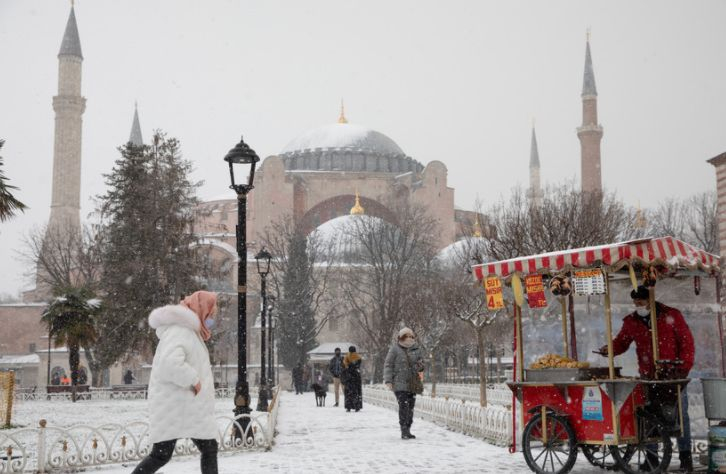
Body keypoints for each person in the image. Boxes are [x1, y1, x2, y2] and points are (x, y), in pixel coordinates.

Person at [597, 285, 695, 472]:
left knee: (680, 417)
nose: (637, 305)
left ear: (651, 300)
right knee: (649, 417)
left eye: (641, 302)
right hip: (648, 377)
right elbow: (622, 342)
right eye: (635, 302)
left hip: (673, 376)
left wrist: (683, 369)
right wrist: (609, 349)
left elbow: (687, 343)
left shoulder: (671, 315)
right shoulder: (632, 321)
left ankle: (685, 457)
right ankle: (652, 458)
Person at [131, 290, 219, 474]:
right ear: (201, 310)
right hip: (174, 406)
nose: (211, 318)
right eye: (210, 314)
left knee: (209, 447)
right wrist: (194, 380)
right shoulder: (181, 331)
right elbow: (169, 363)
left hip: (184, 406)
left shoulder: (188, 331)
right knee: (161, 455)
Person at [384, 327, 424, 440]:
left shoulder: (416, 349)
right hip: (399, 384)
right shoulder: (395, 349)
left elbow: (422, 364)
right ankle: (404, 429)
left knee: (411, 406)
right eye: (407, 336)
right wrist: (388, 380)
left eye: (411, 336)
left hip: (412, 383)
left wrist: (419, 366)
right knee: (404, 405)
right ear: (401, 337)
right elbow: (388, 365)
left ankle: (408, 427)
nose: (409, 338)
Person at [341, 346, 362, 412]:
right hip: (356, 376)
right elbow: (358, 365)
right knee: (356, 392)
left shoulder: (346, 357)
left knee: (348, 392)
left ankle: (348, 406)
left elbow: (344, 366)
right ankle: (357, 406)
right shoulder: (358, 357)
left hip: (349, 377)